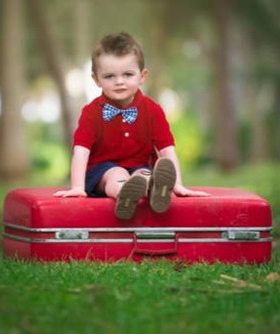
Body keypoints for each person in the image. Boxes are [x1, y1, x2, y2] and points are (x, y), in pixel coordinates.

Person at [53, 32, 209, 219]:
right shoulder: (91, 112)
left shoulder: (153, 110)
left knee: (144, 175)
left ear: (142, 76)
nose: (119, 81)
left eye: (127, 74)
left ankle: (154, 190)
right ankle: (124, 192)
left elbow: (167, 150)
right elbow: (81, 151)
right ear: (96, 79)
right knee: (115, 173)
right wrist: (77, 187)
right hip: (101, 171)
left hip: (139, 166)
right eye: (109, 76)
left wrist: (178, 185)